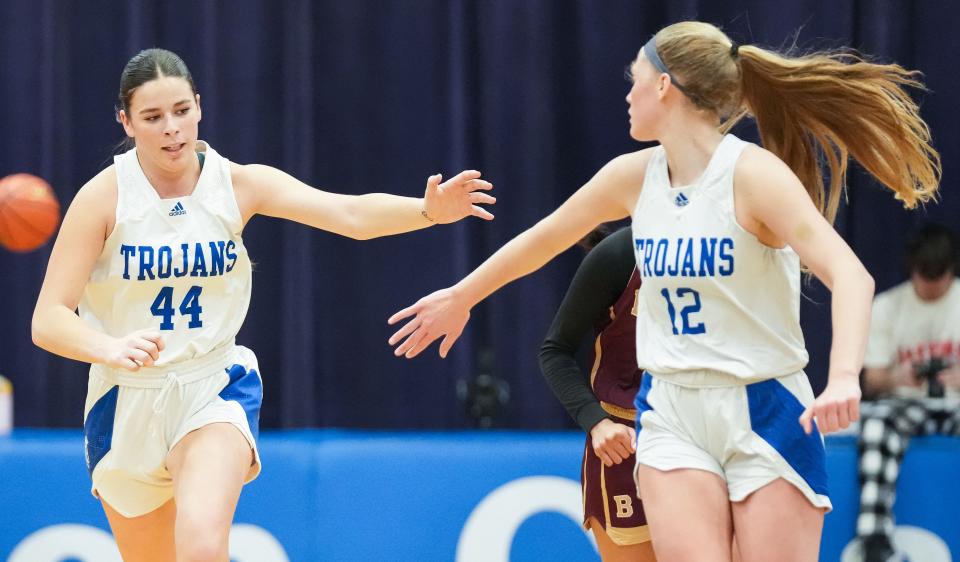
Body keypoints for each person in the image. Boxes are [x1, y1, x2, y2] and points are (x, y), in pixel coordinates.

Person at [387, 20, 940, 561]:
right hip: (672, 406)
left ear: (663, 85)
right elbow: (544, 238)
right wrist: (461, 295)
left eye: (634, 79)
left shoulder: (752, 176)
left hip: (763, 403)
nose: (626, 94)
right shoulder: (632, 176)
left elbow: (851, 275)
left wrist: (843, 377)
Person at [30, 48, 495, 562]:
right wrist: (110, 346)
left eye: (182, 111)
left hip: (211, 386)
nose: (172, 129)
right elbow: (48, 318)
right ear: (126, 121)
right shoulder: (103, 198)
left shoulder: (237, 183)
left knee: (203, 547)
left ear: (200, 107)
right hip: (126, 399)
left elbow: (348, 214)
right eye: (153, 117)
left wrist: (428, 210)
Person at [538, 225, 653, 561]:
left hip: (700, 433)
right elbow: (554, 349)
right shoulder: (620, 254)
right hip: (625, 439)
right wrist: (596, 421)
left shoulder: (725, 249)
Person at [856, 223, 960, 562]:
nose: (930, 287)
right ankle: (874, 537)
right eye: (923, 278)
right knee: (873, 425)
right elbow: (870, 382)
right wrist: (896, 377)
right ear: (912, 269)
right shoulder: (887, 306)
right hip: (906, 405)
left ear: (951, 270)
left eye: (938, 279)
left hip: (955, 406)